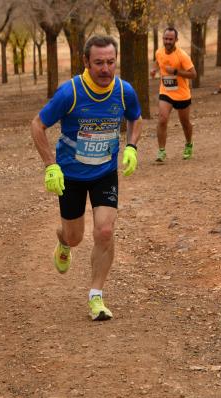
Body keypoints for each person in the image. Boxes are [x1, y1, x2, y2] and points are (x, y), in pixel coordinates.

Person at [30, 35, 142, 321]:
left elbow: (135, 118)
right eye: (99, 63)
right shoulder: (71, 93)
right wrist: (50, 166)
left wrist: (131, 146)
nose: (105, 69)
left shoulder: (124, 91)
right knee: (75, 236)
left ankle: (96, 296)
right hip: (71, 175)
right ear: (86, 63)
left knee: (105, 231)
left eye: (110, 62)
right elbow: (38, 125)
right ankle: (63, 241)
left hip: (105, 173)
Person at [150, 26, 197, 162]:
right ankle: (161, 151)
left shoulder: (182, 56)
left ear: (176, 40)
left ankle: (188, 144)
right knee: (162, 119)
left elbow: (193, 74)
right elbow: (157, 61)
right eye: (165, 38)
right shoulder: (159, 52)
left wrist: (176, 72)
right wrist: (154, 70)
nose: (167, 41)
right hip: (166, 92)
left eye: (170, 39)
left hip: (182, 95)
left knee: (185, 122)